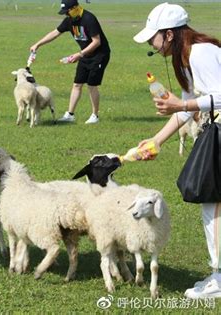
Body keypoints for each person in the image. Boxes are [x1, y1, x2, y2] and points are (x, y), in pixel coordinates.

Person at [133, 3, 221, 298]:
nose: (150, 44)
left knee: (213, 205)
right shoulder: (185, 57)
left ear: (169, 34)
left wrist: (181, 105)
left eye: (152, 37)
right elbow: (185, 108)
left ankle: (220, 279)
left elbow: (218, 97)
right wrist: (156, 141)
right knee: (212, 204)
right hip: (215, 132)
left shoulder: (200, 52)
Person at [30, 0, 110, 124]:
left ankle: (95, 116)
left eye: (68, 11)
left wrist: (80, 54)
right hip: (85, 54)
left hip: (99, 55)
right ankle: (70, 115)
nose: (67, 14)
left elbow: (96, 41)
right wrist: (38, 44)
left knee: (91, 85)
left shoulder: (89, 19)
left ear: (75, 8)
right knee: (77, 84)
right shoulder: (70, 20)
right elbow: (55, 33)